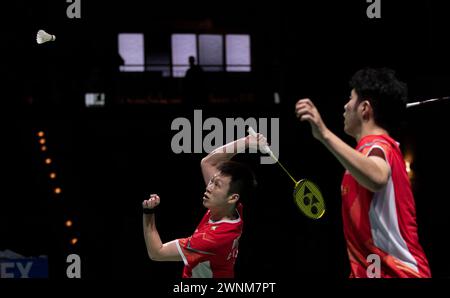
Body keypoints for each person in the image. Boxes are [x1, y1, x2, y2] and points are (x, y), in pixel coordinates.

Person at [294, 67, 431, 278]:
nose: (345, 106)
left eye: (350, 98)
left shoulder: (378, 147)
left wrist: (324, 134)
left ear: (365, 108)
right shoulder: (366, 152)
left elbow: (377, 176)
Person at [142, 134, 266, 278]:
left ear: (232, 198)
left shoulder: (210, 239)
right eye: (211, 181)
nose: (209, 187)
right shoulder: (233, 209)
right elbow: (208, 163)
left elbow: (157, 252)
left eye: (216, 185)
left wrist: (148, 212)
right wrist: (246, 141)